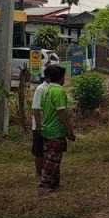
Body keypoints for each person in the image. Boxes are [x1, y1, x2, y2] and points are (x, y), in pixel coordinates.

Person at [38, 65, 76, 194]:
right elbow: (61, 113)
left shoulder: (46, 90)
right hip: (56, 130)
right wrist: (69, 130)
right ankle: (45, 184)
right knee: (52, 160)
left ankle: (54, 182)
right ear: (62, 78)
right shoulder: (59, 91)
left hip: (46, 129)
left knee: (52, 158)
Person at [30, 69, 50, 179]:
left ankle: (46, 171)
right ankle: (38, 173)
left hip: (49, 125)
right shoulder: (40, 89)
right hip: (40, 126)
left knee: (47, 151)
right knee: (39, 152)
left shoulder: (51, 88)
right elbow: (36, 109)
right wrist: (38, 127)